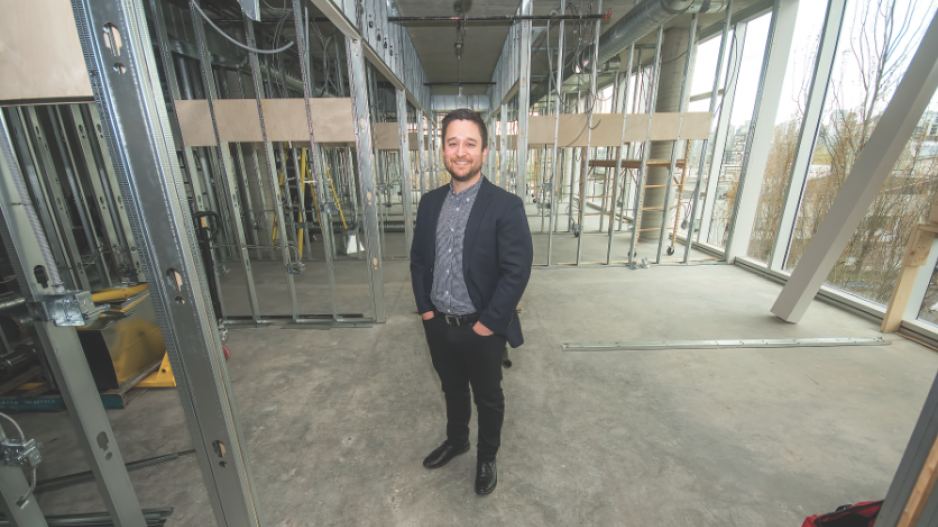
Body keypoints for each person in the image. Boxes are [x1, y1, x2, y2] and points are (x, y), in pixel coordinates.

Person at [410, 108, 533, 495]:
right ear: (442, 149)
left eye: (469, 143)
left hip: (481, 327)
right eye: (452, 143)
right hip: (438, 325)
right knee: (452, 388)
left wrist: (488, 323)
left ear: (484, 151)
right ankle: (457, 440)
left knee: (488, 396)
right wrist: (426, 310)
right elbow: (417, 260)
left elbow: (517, 270)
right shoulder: (430, 203)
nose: (460, 151)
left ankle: (486, 457)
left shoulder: (505, 205)